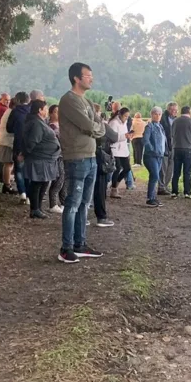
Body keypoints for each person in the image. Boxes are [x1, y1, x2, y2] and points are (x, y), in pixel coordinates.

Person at [57, 63, 108, 264]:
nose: (91, 79)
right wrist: (96, 127)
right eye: (87, 76)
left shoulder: (86, 101)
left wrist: (96, 127)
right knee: (72, 203)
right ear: (77, 78)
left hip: (91, 156)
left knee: (85, 204)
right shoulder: (69, 100)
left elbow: (100, 127)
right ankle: (66, 247)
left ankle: (80, 244)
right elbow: (89, 125)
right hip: (77, 157)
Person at [21, 99, 59, 219]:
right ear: (40, 110)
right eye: (46, 109)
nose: (47, 111)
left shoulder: (38, 121)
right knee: (37, 183)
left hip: (46, 158)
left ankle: (38, 208)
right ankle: (35, 209)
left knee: (43, 182)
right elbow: (32, 141)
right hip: (40, 158)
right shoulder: (36, 123)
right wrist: (25, 154)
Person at [92, 102, 117, 229]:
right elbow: (114, 137)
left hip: (84, 157)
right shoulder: (102, 126)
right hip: (99, 160)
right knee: (100, 189)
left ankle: (81, 217)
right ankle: (101, 216)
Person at [171, 105, 191, 199]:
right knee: (187, 172)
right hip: (188, 149)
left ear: (181, 112)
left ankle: (174, 192)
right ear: (189, 112)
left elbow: (172, 134)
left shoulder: (175, 121)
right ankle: (187, 192)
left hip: (176, 148)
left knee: (176, 171)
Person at [7, 92, 32, 202]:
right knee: (29, 170)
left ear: (17, 100)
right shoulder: (32, 111)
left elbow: (9, 128)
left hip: (18, 143)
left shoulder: (15, 111)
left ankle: (22, 192)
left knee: (19, 169)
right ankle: (29, 194)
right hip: (31, 144)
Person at [142, 107, 167, 207]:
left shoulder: (161, 127)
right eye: (155, 114)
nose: (158, 116)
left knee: (155, 177)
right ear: (152, 115)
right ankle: (150, 198)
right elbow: (145, 140)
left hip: (160, 156)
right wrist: (152, 149)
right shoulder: (149, 127)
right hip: (151, 156)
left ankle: (153, 197)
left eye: (159, 114)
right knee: (155, 175)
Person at [46, 103, 66, 213]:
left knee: (64, 180)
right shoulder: (51, 127)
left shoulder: (62, 125)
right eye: (55, 112)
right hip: (57, 156)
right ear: (51, 113)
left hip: (64, 155)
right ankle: (53, 203)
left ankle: (63, 202)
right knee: (59, 178)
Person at [109, 107, 133, 199]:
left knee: (127, 168)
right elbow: (113, 137)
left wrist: (128, 136)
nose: (126, 118)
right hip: (115, 149)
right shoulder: (114, 123)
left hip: (123, 149)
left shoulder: (125, 123)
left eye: (127, 117)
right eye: (125, 116)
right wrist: (125, 136)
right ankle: (114, 189)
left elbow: (124, 134)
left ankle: (115, 184)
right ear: (120, 115)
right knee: (117, 168)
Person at [0, 97, 19, 194]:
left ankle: (7, 184)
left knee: (8, 164)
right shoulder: (11, 113)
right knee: (8, 164)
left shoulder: (8, 112)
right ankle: (7, 185)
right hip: (7, 142)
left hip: (5, 141)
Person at [159, 102, 177, 195]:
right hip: (165, 146)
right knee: (163, 167)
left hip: (174, 146)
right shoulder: (162, 118)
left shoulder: (176, 120)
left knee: (171, 168)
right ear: (168, 109)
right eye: (172, 109)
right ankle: (161, 187)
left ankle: (165, 186)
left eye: (175, 110)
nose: (174, 111)